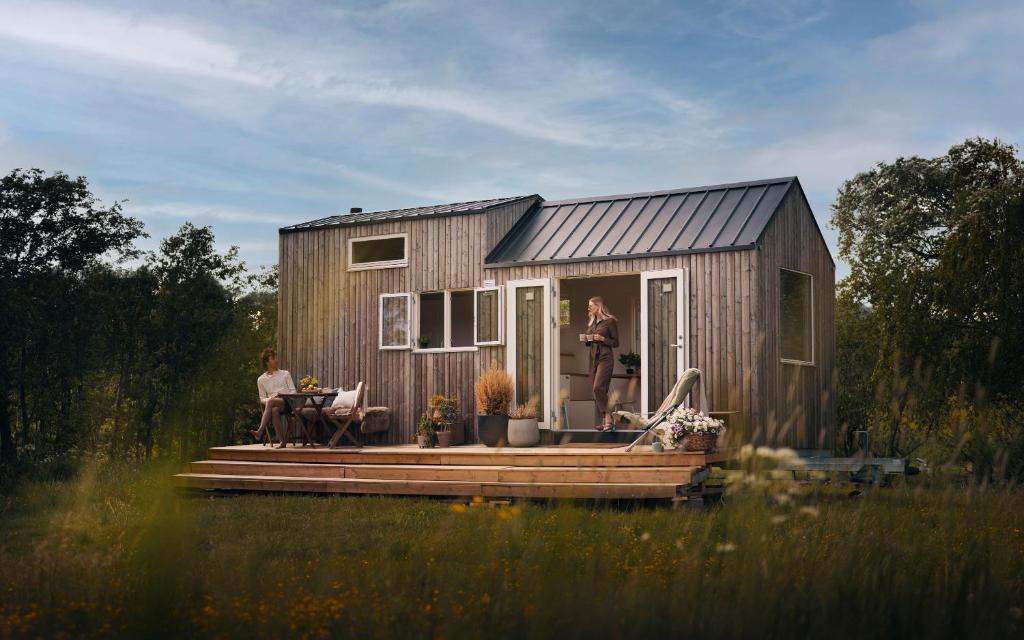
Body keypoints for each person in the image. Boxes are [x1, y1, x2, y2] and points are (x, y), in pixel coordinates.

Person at [585, 296, 619, 431]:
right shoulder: (592, 323)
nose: (588, 308)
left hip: (605, 358)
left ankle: (608, 418)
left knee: (597, 387)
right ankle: (606, 421)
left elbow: (616, 343)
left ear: (598, 306)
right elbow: (589, 343)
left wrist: (603, 338)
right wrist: (587, 339)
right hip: (593, 359)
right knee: (598, 390)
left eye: (591, 305)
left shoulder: (610, 322)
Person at [253, 348, 297, 447]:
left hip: (287, 403)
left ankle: (260, 430)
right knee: (274, 410)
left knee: (272, 403)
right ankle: (282, 442)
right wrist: (271, 399)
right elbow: (262, 398)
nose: (276, 360)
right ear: (267, 362)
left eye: (275, 358)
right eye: (273, 358)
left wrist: (281, 394)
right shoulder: (261, 379)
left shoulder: (285, 374)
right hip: (273, 404)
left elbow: (293, 391)